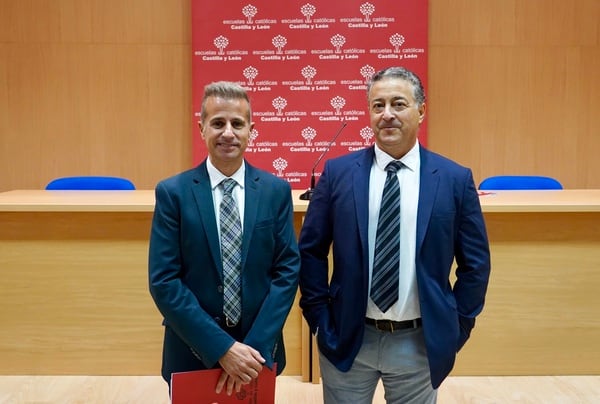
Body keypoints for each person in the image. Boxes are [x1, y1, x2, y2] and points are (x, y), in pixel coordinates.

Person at [298, 66, 491, 403]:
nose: (387, 114)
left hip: (419, 342)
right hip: (347, 339)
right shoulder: (338, 173)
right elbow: (311, 251)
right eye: (377, 105)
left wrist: (456, 326)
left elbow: (475, 264)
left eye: (398, 104)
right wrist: (319, 317)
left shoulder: (454, 179)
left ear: (421, 110)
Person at [148, 81, 300, 396]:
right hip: (191, 351)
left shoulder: (275, 191)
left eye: (237, 124)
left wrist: (252, 350)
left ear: (251, 130)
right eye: (218, 123)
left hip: (257, 354)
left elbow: (287, 271)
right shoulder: (173, 193)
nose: (227, 132)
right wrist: (222, 348)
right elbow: (164, 281)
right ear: (202, 127)